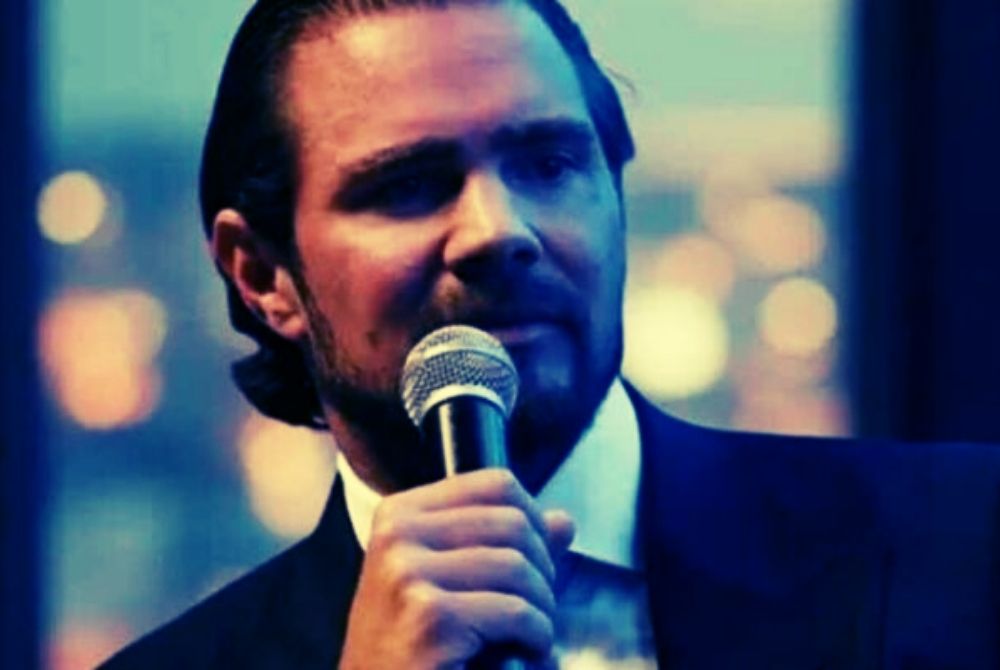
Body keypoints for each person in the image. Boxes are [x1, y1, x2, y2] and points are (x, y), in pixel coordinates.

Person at [101, 1, 1000, 668]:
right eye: (407, 185)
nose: (499, 230)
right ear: (263, 276)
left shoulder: (963, 547)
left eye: (550, 162)